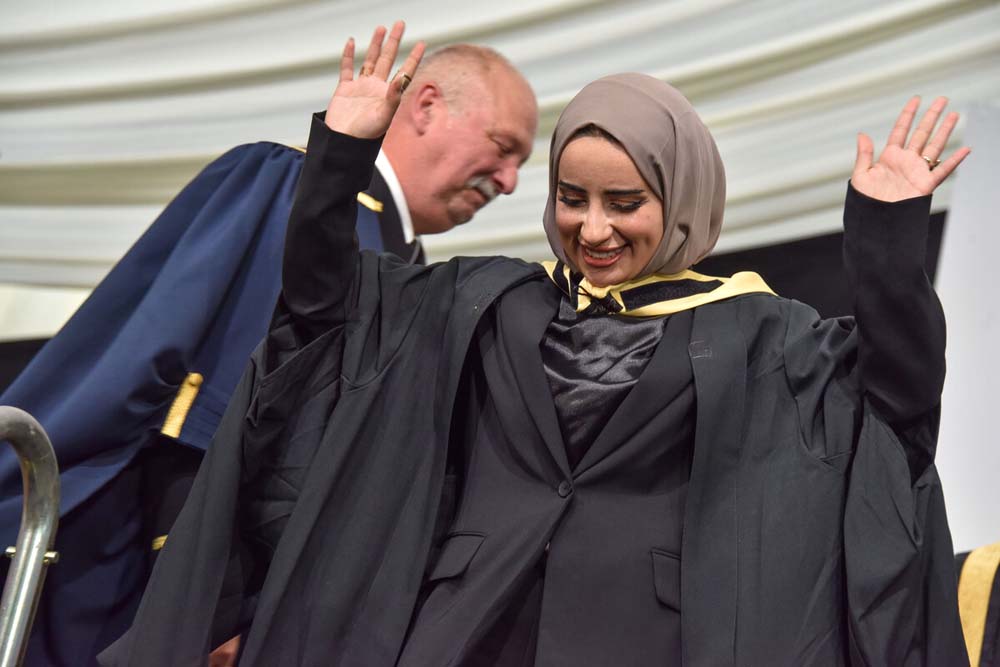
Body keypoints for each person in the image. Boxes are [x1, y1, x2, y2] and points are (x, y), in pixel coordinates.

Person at [103, 21, 969, 665]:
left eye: (624, 203)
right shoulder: (487, 300)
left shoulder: (761, 333)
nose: (591, 228)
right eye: (571, 198)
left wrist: (887, 240)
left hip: (645, 638)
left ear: (682, 201)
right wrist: (342, 159)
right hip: (461, 627)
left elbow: (895, 406)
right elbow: (321, 312)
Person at [0, 33, 536, 667]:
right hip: (137, 568)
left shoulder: (410, 267)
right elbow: (211, 408)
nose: (509, 181)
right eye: (503, 147)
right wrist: (214, 597)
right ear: (424, 106)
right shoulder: (292, 187)